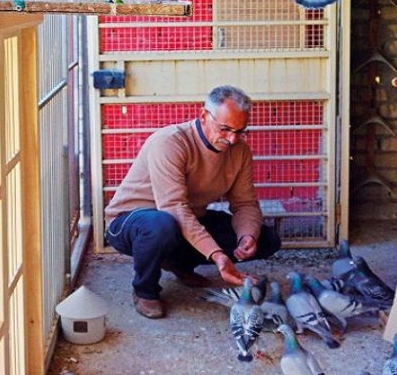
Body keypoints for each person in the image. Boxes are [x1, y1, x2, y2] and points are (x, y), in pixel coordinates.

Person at [105, 85, 282, 319]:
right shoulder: (169, 142)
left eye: (240, 131)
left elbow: (245, 203)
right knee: (161, 226)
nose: (232, 139)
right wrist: (218, 256)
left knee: (266, 239)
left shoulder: (240, 151)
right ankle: (145, 290)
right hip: (132, 222)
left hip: (181, 221)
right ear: (204, 117)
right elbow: (174, 208)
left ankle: (178, 264)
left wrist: (247, 236)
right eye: (225, 129)